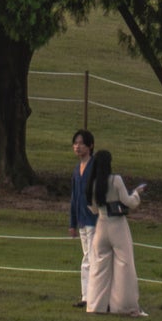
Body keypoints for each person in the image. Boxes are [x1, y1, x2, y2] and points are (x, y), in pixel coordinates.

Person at [83, 148, 148, 315]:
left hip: (101, 225)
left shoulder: (92, 182)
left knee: (99, 266)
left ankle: (96, 305)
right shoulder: (116, 180)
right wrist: (136, 193)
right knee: (124, 265)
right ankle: (124, 306)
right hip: (117, 225)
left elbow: (93, 208)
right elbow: (129, 202)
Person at [69, 129, 98, 307]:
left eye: (81, 143)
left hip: (94, 219)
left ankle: (91, 296)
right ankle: (86, 295)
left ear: (90, 146)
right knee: (87, 257)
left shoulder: (94, 167)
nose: (78, 147)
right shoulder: (76, 170)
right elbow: (73, 197)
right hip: (81, 219)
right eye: (76, 143)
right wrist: (72, 222)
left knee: (91, 257)